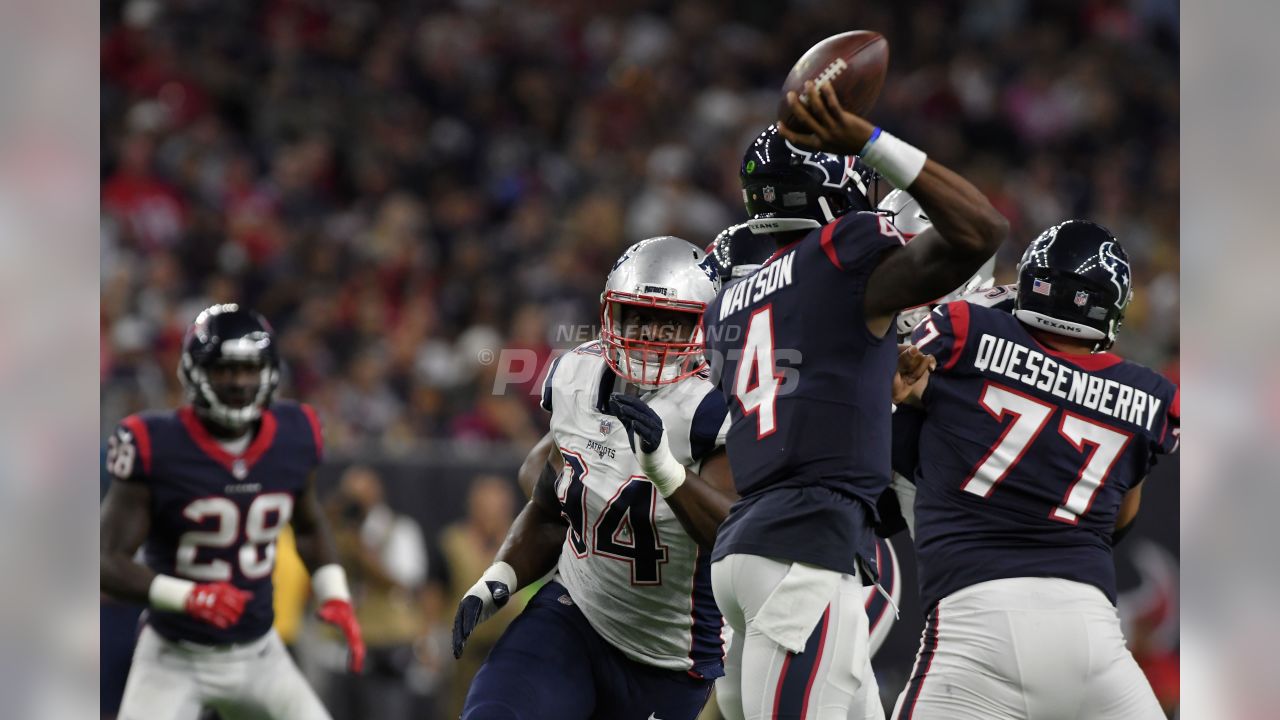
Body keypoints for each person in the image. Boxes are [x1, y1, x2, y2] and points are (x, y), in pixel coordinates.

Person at [703, 82, 1008, 720]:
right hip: (806, 550)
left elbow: (814, 372)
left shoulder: (730, 297)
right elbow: (982, 228)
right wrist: (871, 140)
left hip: (748, 548)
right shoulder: (843, 254)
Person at [891, 220, 1178, 720]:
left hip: (974, 624)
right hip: (1091, 637)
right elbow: (1120, 519)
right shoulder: (1152, 397)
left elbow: (898, 408)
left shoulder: (965, 330)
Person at [451, 236, 737, 720]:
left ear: (701, 325)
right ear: (610, 313)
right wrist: (498, 578)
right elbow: (547, 508)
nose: (650, 334)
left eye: (670, 322)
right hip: (574, 616)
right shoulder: (574, 376)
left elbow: (736, 534)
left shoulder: (712, 407)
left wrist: (665, 471)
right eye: (637, 316)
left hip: (668, 659)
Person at [100, 304, 365, 720]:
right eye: (224, 370)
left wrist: (335, 593)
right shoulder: (155, 443)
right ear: (195, 372)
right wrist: (190, 596)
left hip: (260, 652)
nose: (239, 382)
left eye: (250, 369)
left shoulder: (297, 433)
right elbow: (103, 560)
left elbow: (310, 526)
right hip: (173, 655)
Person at [324, 465, 429, 720]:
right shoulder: (336, 533)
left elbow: (404, 582)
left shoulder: (399, 529)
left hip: (388, 644)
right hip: (344, 643)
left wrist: (362, 552)